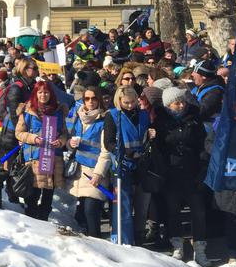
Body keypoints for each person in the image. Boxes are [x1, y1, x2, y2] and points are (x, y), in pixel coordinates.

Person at [152, 87, 211, 265]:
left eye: (182, 101)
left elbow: (202, 143)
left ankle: (200, 249)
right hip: (171, 172)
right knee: (173, 211)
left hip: (192, 170)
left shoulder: (194, 118)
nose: (181, 104)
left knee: (198, 212)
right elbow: (159, 147)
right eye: (177, 102)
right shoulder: (160, 121)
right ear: (168, 105)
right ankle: (177, 245)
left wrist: (201, 165)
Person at [94, 85, 153, 245]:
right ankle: (124, 239)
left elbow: (146, 135)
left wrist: (150, 138)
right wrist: (124, 152)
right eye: (126, 102)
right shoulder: (113, 116)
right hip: (122, 163)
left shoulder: (143, 115)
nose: (130, 105)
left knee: (142, 204)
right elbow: (108, 142)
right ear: (119, 101)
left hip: (141, 162)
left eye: (133, 101)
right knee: (123, 204)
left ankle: (139, 235)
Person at [15, 81, 69, 221]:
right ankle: (32, 220)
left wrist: (61, 141)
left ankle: (44, 219)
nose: (43, 95)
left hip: (53, 156)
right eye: (40, 92)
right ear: (36, 94)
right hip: (35, 157)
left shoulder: (58, 111)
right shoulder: (28, 111)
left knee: (48, 192)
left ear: (51, 94)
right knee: (34, 192)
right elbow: (19, 133)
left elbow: (64, 133)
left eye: (46, 92)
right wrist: (34, 138)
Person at [67, 87, 107, 237]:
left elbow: (106, 151)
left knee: (91, 210)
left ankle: (96, 241)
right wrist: (69, 144)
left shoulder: (104, 119)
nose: (90, 102)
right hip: (79, 170)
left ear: (99, 100)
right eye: (87, 98)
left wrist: (99, 173)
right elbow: (68, 139)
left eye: (94, 98)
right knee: (83, 211)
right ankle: (89, 242)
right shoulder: (78, 117)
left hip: (95, 171)